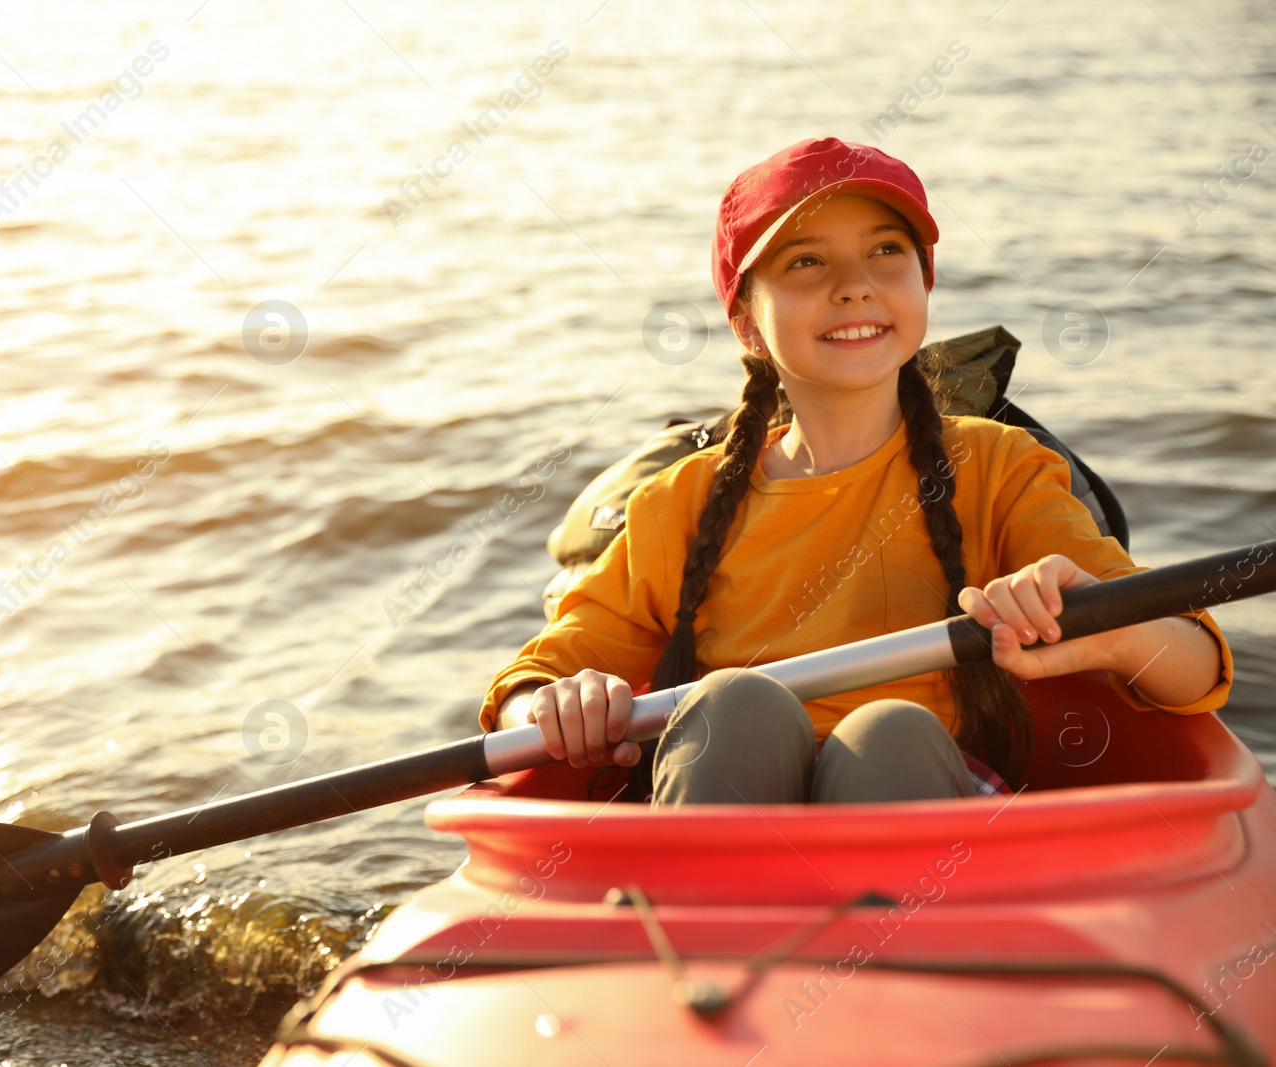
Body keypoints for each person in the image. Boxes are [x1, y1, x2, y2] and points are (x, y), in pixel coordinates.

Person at [477, 137, 1233, 805]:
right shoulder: (681, 501)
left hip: (924, 813)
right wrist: (556, 705)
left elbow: (1193, 668)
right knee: (738, 704)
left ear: (923, 284)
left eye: (885, 251)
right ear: (746, 319)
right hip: (718, 830)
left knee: (889, 734)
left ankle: (889, 954)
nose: (854, 283)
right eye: (807, 261)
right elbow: (529, 687)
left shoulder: (1002, 468)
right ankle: (714, 947)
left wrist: (1106, 627)